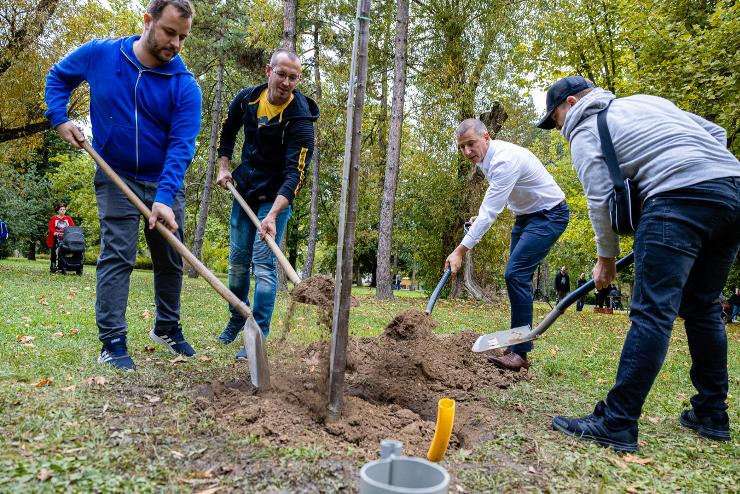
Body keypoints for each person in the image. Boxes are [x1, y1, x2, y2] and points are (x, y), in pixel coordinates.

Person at [538, 75, 740, 451]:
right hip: (731, 189)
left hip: (675, 196)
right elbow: (717, 132)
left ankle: (617, 422)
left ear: (569, 103)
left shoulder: (584, 128)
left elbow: (599, 198)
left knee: (652, 312)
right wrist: (704, 176)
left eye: (555, 120)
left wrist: (606, 260)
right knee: (702, 307)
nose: (558, 129)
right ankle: (712, 414)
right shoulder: (648, 101)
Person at [45, 0, 203, 370]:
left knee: (169, 259)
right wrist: (58, 117)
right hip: (115, 175)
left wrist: (165, 197)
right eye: (169, 32)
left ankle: (167, 327)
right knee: (118, 255)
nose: (176, 44)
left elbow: (181, 146)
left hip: (163, 180)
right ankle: (112, 341)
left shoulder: (184, 86)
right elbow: (58, 77)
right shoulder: (101, 54)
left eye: (183, 37)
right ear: (147, 21)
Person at [216, 48, 319, 359]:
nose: (286, 82)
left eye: (293, 77)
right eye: (281, 74)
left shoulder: (301, 120)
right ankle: (237, 318)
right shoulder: (246, 99)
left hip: (276, 197)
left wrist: (273, 214)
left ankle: (257, 332)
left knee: (263, 265)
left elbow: (295, 174)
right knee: (237, 262)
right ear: (268, 71)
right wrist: (223, 166)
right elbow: (227, 132)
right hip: (245, 187)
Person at [446, 119, 569, 372]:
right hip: (526, 217)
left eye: (471, 143)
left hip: (549, 215)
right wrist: (478, 218)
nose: (467, 151)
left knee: (515, 274)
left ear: (487, 137)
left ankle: (520, 353)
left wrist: (460, 251)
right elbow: (496, 201)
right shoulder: (483, 161)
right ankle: (516, 346)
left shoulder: (504, 160)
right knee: (516, 277)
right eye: (462, 147)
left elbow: (490, 211)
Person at [47, 203, 75, 274]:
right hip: (55, 238)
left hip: (65, 239)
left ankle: (61, 267)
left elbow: (72, 227)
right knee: (54, 252)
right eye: (61, 209)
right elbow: (51, 227)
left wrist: (71, 233)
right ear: (58, 211)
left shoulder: (68, 218)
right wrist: (55, 232)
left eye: (64, 209)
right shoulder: (54, 218)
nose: (62, 211)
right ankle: (53, 265)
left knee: (62, 252)